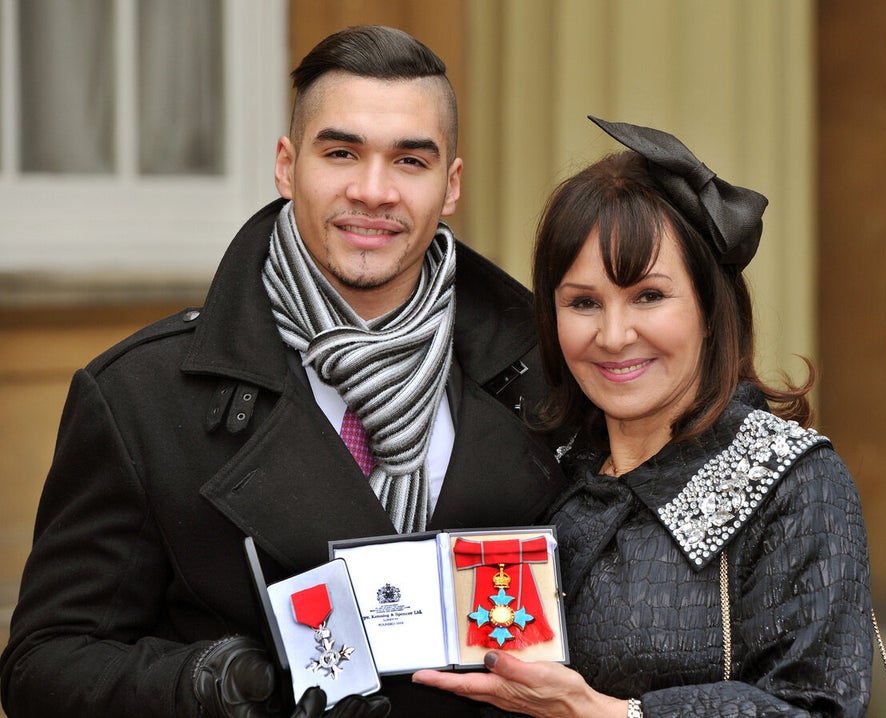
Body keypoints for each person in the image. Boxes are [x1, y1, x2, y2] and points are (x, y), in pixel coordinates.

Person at [0, 26, 567, 718]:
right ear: (285, 165)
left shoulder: (550, 380)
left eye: (409, 161)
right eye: (341, 152)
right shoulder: (140, 398)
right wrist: (209, 684)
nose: (373, 190)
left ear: (450, 186)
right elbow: (44, 665)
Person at [412, 117, 874, 716]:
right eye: (583, 303)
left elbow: (819, 708)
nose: (613, 335)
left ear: (710, 306)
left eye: (648, 296)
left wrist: (607, 715)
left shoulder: (793, 482)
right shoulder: (532, 465)